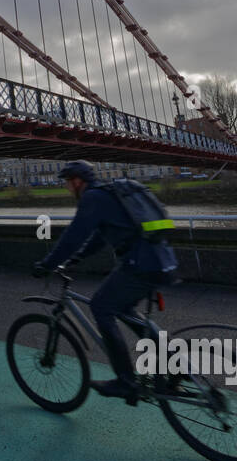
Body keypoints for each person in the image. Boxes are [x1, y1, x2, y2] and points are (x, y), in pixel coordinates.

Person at [32, 160, 178, 400]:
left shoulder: (92, 198)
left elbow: (73, 236)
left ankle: (126, 381)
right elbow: (99, 238)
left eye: (68, 183)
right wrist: (76, 259)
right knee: (126, 310)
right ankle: (176, 365)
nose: (68, 189)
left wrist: (46, 265)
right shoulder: (109, 194)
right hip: (161, 260)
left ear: (77, 181)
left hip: (140, 264)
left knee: (101, 306)